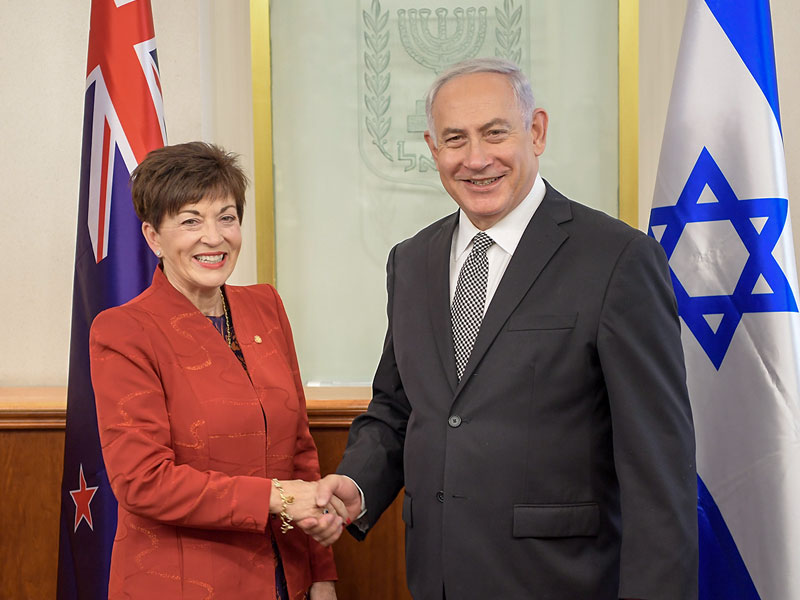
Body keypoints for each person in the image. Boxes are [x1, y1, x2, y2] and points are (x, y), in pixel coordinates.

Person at [303, 58, 698, 599]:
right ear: (432, 147)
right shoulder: (411, 261)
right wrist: (356, 483)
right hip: (435, 579)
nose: (476, 159)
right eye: (455, 139)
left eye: (495, 133)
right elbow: (399, 408)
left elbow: (659, 469)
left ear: (535, 131)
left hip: (564, 582)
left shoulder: (618, 260)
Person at [89, 142, 345, 599]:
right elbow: (143, 482)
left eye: (226, 217)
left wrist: (321, 572)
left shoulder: (265, 305)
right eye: (190, 220)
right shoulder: (124, 331)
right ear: (153, 237)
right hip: (183, 582)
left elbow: (300, 452)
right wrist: (277, 498)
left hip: (286, 578)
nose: (214, 237)